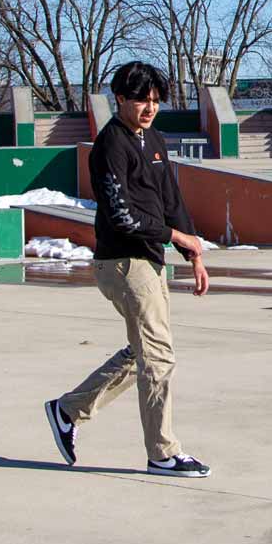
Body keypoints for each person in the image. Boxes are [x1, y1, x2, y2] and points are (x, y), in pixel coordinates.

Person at [45, 61, 212, 476]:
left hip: (149, 260)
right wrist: (176, 237)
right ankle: (163, 453)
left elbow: (170, 197)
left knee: (145, 352)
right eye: (141, 100)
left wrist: (195, 254)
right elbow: (122, 216)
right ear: (120, 98)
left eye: (156, 101)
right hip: (122, 260)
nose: (149, 108)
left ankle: (68, 410)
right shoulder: (110, 146)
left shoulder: (152, 138)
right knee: (158, 356)